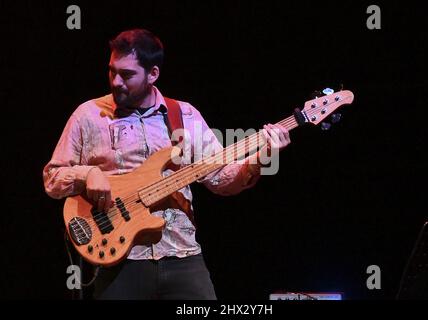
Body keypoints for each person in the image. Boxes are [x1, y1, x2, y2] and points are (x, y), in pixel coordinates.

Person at [43, 29, 291, 300]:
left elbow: (221, 182)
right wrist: (88, 173)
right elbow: (52, 179)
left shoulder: (184, 115)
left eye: (126, 75)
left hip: (182, 256)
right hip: (120, 260)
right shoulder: (88, 115)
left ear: (153, 75)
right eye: (112, 71)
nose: (116, 81)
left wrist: (262, 156)